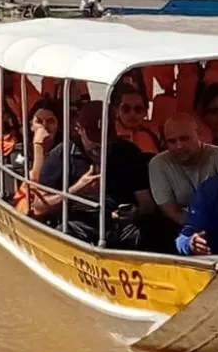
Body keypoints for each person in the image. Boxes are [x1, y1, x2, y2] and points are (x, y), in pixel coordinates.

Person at [32, 101, 159, 250]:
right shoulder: (61, 154)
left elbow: (147, 204)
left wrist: (135, 213)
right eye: (94, 141)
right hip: (80, 224)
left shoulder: (129, 152)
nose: (100, 147)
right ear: (78, 129)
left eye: (107, 140)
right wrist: (76, 190)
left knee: (154, 231)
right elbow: (38, 207)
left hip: (121, 225)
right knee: (64, 233)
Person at [149, 114, 218, 227]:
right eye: (172, 141)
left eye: (184, 139)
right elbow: (171, 213)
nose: (179, 146)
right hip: (183, 227)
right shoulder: (158, 164)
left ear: (198, 135)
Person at [14, 98, 63, 214]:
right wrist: (38, 146)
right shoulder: (20, 153)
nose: (45, 126)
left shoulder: (63, 152)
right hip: (30, 203)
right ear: (31, 125)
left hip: (55, 202)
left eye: (50, 121)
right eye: (39, 121)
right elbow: (34, 183)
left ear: (59, 126)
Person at [111, 84, 161, 156]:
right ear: (116, 110)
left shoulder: (152, 135)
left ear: (145, 112)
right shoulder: (107, 136)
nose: (132, 113)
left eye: (138, 109)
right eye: (126, 109)